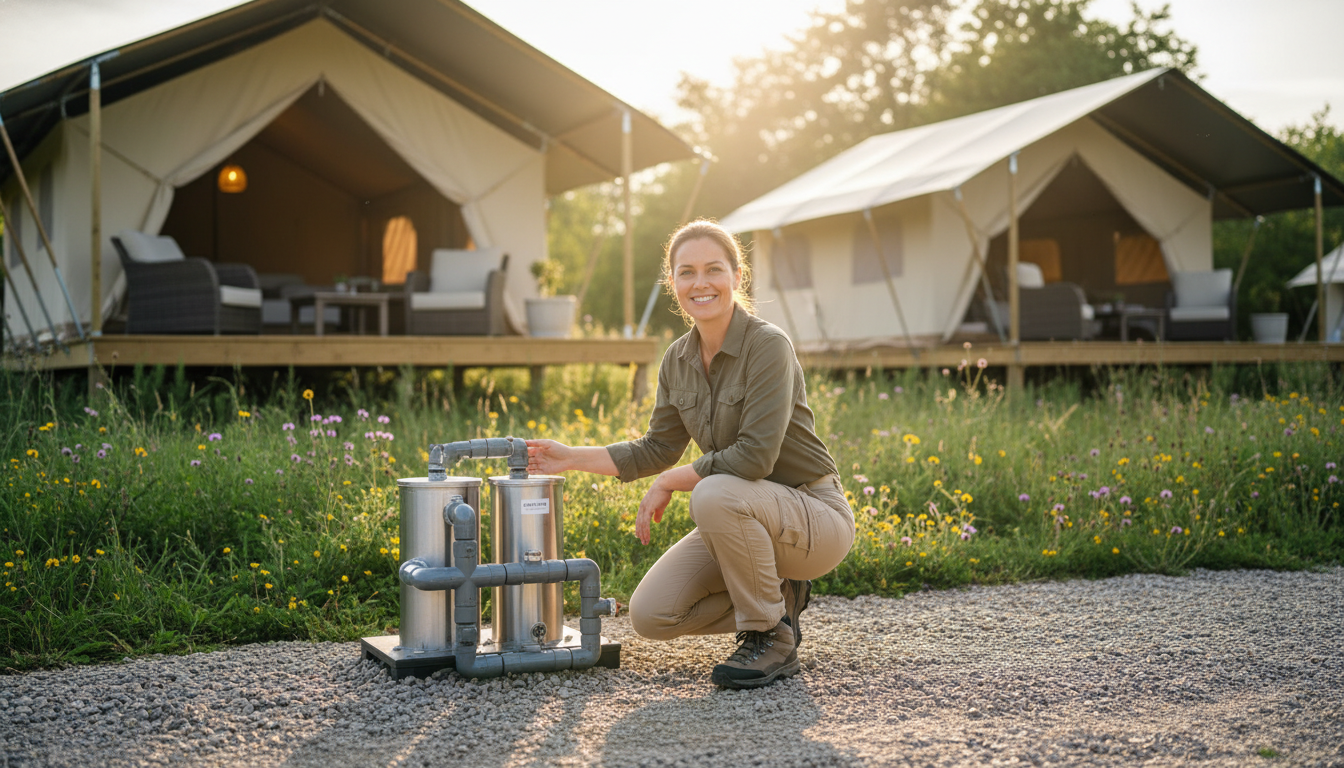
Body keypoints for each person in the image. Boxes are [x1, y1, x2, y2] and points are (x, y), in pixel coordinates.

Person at [526, 219, 854, 689]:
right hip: (746, 513)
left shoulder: (768, 346)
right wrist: (568, 457)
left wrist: (669, 482)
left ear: (736, 276)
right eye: (686, 272)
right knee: (653, 615)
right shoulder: (677, 360)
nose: (700, 283)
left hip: (815, 516)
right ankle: (780, 598)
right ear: (673, 282)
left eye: (713, 269)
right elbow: (657, 447)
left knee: (713, 494)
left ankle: (770, 635)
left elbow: (755, 459)